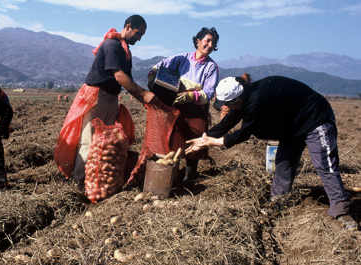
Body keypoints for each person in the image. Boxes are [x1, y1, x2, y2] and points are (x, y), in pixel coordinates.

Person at [186, 75, 357, 231]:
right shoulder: (244, 97)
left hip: (315, 119)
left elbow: (244, 133)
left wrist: (212, 142)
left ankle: (341, 209)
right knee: (284, 162)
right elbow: (228, 122)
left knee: (324, 164)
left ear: (235, 100)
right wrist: (204, 138)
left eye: (228, 104)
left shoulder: (256, 101)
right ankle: (279, 201)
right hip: (292, 125)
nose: (226, 108)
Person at [54, 14, 163, 183]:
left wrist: (141, 97)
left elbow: (128, 78)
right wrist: (143, 95)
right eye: (138, 33)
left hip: (110, 97)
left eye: (142, 35)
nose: (139, 38)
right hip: (97, 96)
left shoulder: (125, 50)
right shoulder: (112, 45)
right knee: (89, 141)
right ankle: (79, 181)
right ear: (127, 26)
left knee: (104, 142)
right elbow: (119, 75)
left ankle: (97, 179)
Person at [148, 27, 220, 182]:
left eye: (213, 43)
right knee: (175, 138)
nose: (209, 45)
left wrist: (190, 95)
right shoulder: (182, 58)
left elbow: (208, 93)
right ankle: (172, 174)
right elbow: (159, 67)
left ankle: (190, 177)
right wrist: (154, 75)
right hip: (176, 106)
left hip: (196, 109)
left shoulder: (211, 67)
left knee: (194, 139)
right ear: (197, 41)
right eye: (207, 40)